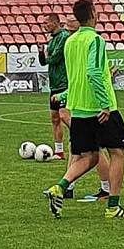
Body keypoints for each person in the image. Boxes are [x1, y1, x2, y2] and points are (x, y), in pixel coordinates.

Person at [43, 0, 124, 220]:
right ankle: (113, 207)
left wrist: (65, 96)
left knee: (90, 156)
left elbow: (74, 77)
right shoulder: (95, 40)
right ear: (93, 14)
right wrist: (105, 104)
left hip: (80, 108)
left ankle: (60, 187)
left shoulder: (70, 42)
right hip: (99, 108)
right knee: (118, 153)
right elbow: (92, 73)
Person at [43, 13, 69, 161]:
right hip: (54, 83)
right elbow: (45, 61)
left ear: (55, 22)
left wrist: (47, 56)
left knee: (64, 116)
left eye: (46, 23)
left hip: (64, 82)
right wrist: (43, 53)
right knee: (54, 118)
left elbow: (55, 58)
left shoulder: (64, 37)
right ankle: (59, 151)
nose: (44, 26)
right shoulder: (52, 39)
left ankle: (83, 140)